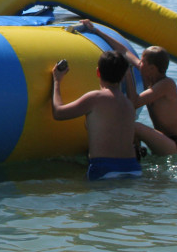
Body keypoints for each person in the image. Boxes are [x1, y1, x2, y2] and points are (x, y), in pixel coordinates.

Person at [80, 19, 177, 156]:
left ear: (152, 68)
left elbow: (134, 103)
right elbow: (124, 52)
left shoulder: (167, 84)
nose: (139, 63)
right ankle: (134, 155)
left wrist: (128, 72)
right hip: (162, 139)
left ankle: (119, 155)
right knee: (131, 126)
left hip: (176, 144)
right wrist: (96, 31)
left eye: (142, 61)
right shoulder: (147, 74)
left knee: (134, 126)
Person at [52, 51, 142, 181]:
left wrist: (57, 81)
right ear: (123, 76)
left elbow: (59, 113)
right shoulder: (128, 104)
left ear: (98, 72)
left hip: (105, 169)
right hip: (133, 169)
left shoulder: (95, 98)